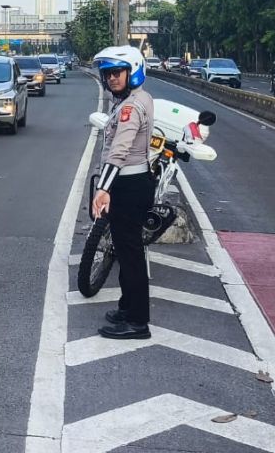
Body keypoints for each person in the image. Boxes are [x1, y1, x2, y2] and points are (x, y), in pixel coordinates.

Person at [91, 45, 155, 340]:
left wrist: (103, 188)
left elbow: (119, 150)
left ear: (133, 71)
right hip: (130, 182)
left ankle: (138, 321)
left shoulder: (131, 106)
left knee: (130, 255)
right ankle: (127, 308)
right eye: (107, 74)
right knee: (125, 249)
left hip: (128, 184)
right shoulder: (132, 99)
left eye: (117, 72)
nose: (112, 78)